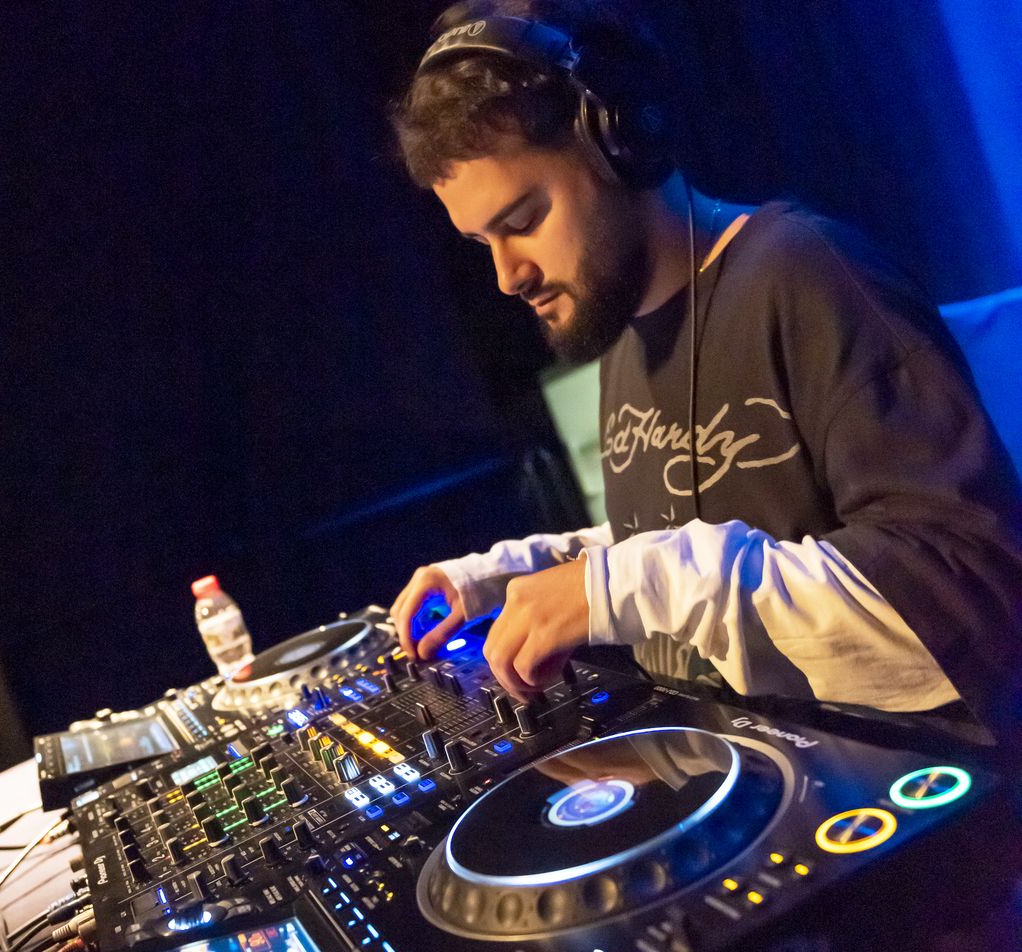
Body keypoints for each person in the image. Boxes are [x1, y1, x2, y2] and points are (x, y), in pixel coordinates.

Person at [388, 0, 1022, 746]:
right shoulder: (624, 332)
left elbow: (969, 593)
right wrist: (513, 577)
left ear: (619, 143)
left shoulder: (805, 274)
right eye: (482, 242)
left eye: (523, 221)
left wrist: (624, 584)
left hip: (905, 785)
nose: (507, 276)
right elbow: (694, 528)